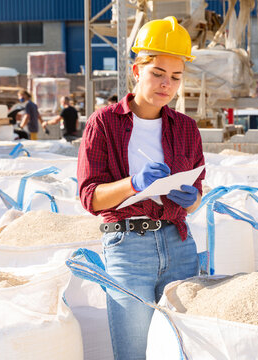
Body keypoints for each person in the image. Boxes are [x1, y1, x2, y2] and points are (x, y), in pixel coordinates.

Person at [77, 16, 204, 360]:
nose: (167, 84)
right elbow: (90, 196)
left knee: (182, 349)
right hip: (127, 247)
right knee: (134, 352)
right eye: (157, 74)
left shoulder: (187, 129)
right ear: (137, 70)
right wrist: (133, 183)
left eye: (176, 77)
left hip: (179, 246)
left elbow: (197, 194)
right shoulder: (103, 123)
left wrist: (191, 199)